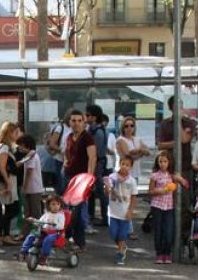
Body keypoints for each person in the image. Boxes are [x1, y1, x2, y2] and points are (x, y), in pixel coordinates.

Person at [63, 110, 97, 251]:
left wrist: (89, 179)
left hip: (82, 179)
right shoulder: (69, 136)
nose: (76, 123)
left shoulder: (87, 137)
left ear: (84, 122)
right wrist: (65, 161)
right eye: (73, 120)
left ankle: (79, 242)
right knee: (69, 210)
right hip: (70, 178)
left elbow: (92, 157)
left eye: (79, 120)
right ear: (69, 122)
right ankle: (69, 238)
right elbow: (66, 152)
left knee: (78, 212)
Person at [149, 151, 187, 265]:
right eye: (160, 161)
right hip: (157, 206)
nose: (162, 164)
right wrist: (161, 191)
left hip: (169, 207)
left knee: (168, 231)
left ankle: (167, 252)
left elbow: (186, 184)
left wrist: (181, 179)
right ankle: (159, 253)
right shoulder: (155, 175)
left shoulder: (172, 176)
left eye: (165, 161)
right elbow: (150, 191)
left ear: (169, 162)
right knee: (158, 231)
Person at [105, 155, 139, 265]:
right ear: (119, 163)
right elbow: (106, 192)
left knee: (122, 235)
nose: (124, 167)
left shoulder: (132, 181)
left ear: (131, 167)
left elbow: (134, 197)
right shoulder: (112, 177)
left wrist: (130, 211)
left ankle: (120, 253)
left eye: (127, 165)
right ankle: (122, 246)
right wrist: (107, 187)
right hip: (113, 212)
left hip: (125, 213)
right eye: (123, 164)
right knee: (113, 233)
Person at [19, 194, 67, 266]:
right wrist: (34, 220)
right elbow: (39, 222)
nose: (56, 206)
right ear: (49, 205)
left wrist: (55, 224)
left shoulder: (60, 215)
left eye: (58, 204)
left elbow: (61, 226)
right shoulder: (46, 214)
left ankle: (44, 256)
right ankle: (23, 252)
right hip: (44, 232)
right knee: (31, 236)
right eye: (53, 204)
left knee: (48, 239)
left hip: (55, 233)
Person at [0, 122, 22, 244]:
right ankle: (3, 234)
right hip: (7, 180)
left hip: (10, 178)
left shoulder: (7, 146)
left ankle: (5, 233)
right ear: (9, 133)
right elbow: (2, 167)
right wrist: (8, 182)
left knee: (11, 207)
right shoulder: (4, 147)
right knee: (13, 208)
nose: (17, 135)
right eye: (15, 132)